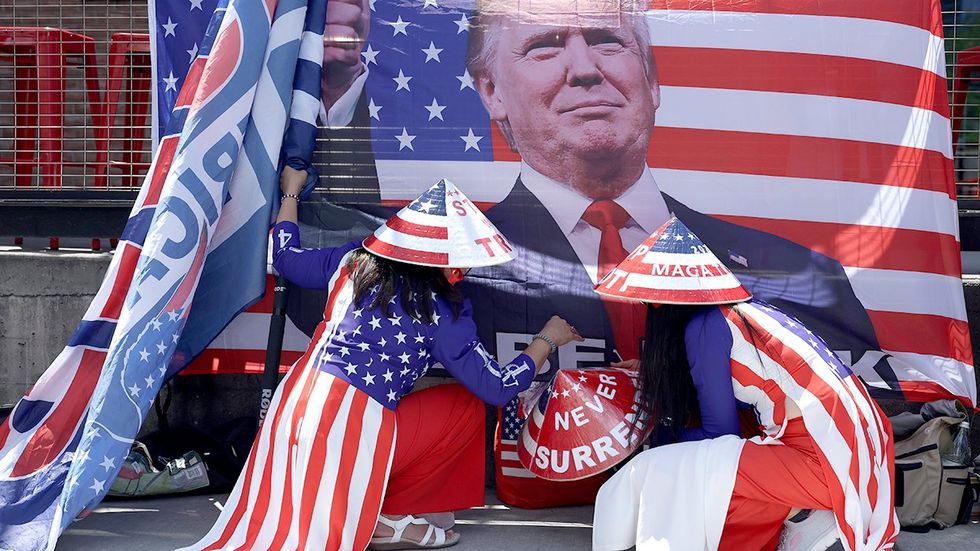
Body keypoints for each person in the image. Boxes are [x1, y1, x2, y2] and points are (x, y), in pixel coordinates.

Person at [308, 0, 889, 383]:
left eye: (609, 42)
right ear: (491, 93)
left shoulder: (796, 271)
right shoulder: (443, 268)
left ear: (653, 83)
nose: (584, 69)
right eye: (545, 47)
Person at [180, 168, 582, 551]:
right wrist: (546, 339)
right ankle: (387, 517)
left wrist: (290, 192)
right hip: (351, 425)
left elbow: (284, 256)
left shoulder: (352, 261)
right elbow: (495, 387)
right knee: (465, 404)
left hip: (290, 412)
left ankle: (374, 512)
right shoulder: (442, 310)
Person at [591, 217, 897, 551]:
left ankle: (808, 513)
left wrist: (656, 440)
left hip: (822, 462)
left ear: (659, 301)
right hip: (855, 452)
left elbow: (720, 433)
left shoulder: (706, 327)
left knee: (664, 467)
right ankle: (802, 514)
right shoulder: (741, 313)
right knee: (700, 465)